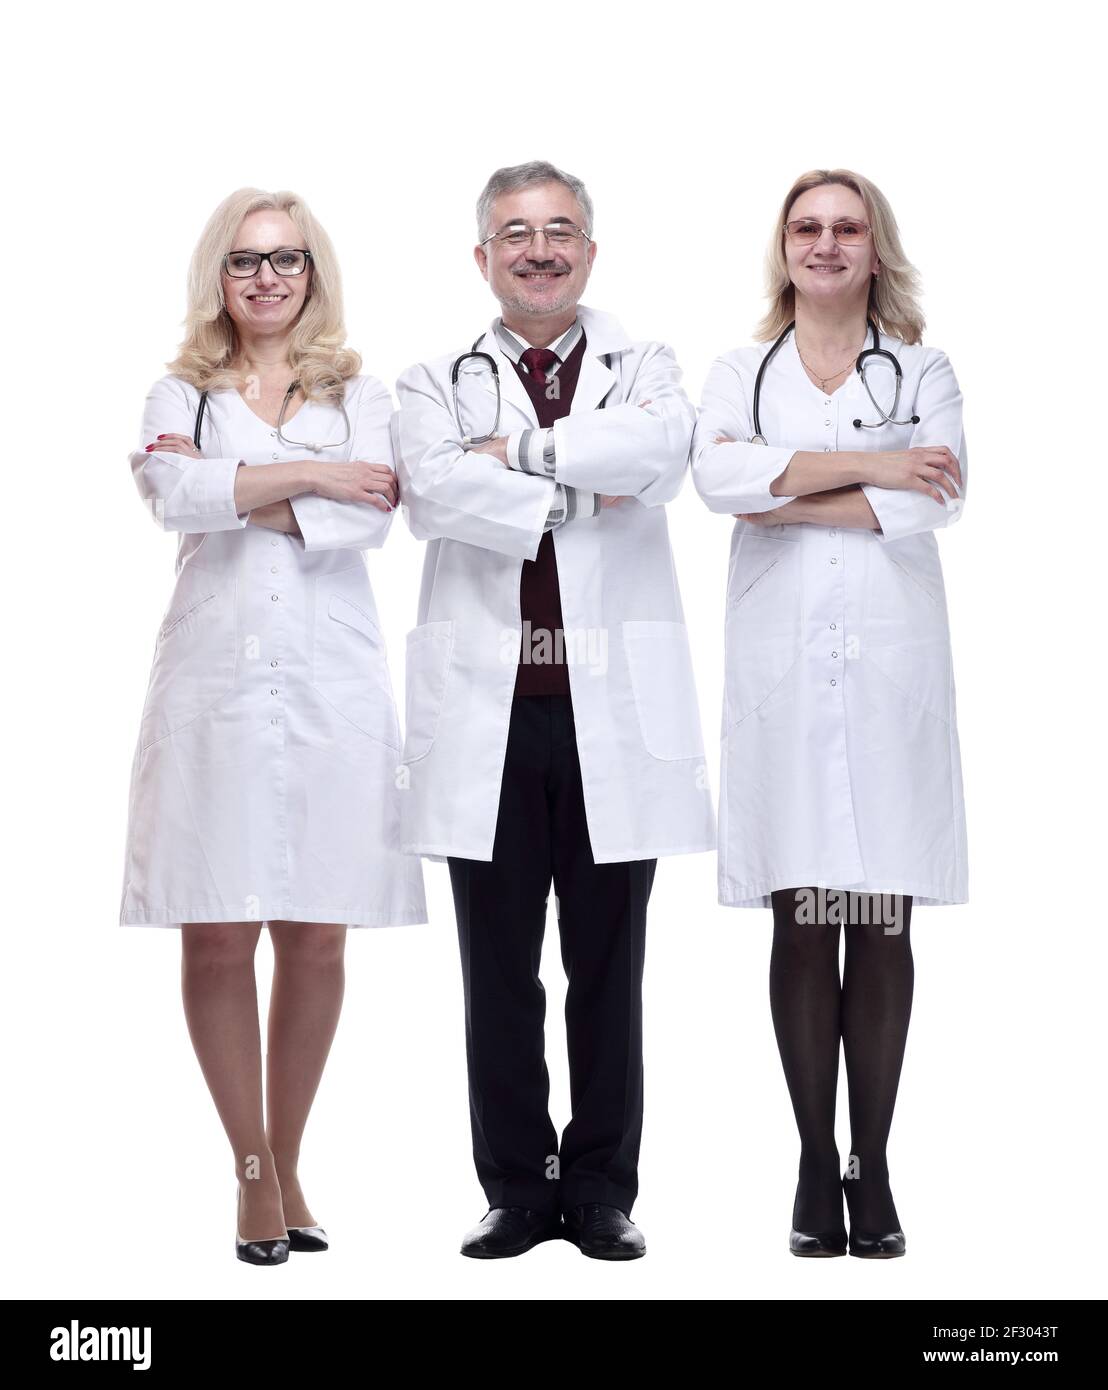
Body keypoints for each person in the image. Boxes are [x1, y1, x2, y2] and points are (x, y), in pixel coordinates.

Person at [395, 161, 715, 1260]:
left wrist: (521, 461)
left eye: (560, 231)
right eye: (516, 233)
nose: (539, 249)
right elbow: (433, 493)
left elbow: (662, 455)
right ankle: (519, 1189)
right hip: (491, 714)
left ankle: (600, 1188)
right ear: (481, 256)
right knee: (496, 968)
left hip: (608, 711)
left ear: (590, 249)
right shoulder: (433, 377)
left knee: (608, 964)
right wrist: (586, 486)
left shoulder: (648, 366)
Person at [120, 187, 427, 1266]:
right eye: (246, 261)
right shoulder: (182, 388)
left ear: (313, 273)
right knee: (214, 924)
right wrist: (307, 474)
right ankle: (248, 1168)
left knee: (316, 925)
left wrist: (243, 488)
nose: (266, 278)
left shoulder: (363, 392)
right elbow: (172, 491)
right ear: (220, 274)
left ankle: (286, 1154)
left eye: (286, 260)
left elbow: (375, 509)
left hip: (331, 684)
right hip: (212, 680)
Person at [690, 167, 968, 1259]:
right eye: (806, 226)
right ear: (783, 248)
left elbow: (941, 490)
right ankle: (813, 1160)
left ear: (873, 246)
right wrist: (870, 468)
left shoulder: (923, 365)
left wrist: (788, 490)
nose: (824, 242)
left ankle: (875, 1159)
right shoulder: (736, 370)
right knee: (802, 914)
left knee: (881, 918)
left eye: (845, 227)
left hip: (891, 668)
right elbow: (718, 483)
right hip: (782, 674)